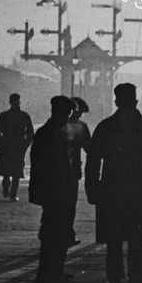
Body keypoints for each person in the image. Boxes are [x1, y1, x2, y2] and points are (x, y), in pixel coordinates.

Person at [85, 83, 142, 283]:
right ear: (135, 101)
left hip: (112, 192)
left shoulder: (105, 127)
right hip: (141, 193)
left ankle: (115, 279)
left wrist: (92, 189)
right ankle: (136, 280)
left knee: (114, 240)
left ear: (116, 101)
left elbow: (93, 161)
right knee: (137, 241)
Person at [29, 95, 78, 283]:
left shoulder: (51, 131)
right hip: (56, 192)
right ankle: (48, 274)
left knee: (58, 232)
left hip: (59, 192)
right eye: (67, 113)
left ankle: (55, 271)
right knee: (53, 234)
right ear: (61, 112)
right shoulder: (51, 133)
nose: (68, 116)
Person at [0, 93, 34, 201]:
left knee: (6, 171)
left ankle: (6, 189)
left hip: (6, 146)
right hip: (18, 146)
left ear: (9, 102)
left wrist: (0, 141)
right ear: (19, 102)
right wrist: (25, 144)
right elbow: (30, 133)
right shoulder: (25, 116)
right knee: (16, 171)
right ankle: (12, 194)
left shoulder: (4, 115)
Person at [64, 96, 92, 248]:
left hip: (55, 173)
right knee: (69, 205)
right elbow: (89, 148)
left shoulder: (56, 126)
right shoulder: (81, 126)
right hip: (73, 171)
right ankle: (68, 235)